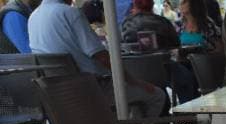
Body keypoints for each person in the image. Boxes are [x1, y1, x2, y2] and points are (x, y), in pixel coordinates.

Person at [29, 0, 166, 117]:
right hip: (92, 88)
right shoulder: (70, 13)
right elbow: (101, 56)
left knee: (132, 98)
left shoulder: (33, 18)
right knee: (157, 95)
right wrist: (135, 81)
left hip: (58, 94)